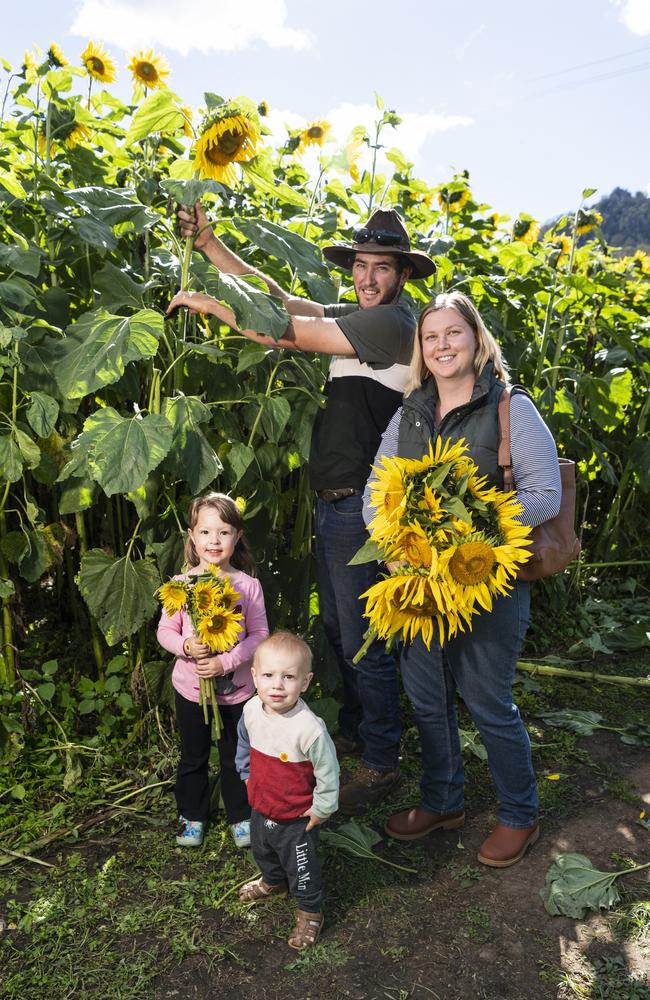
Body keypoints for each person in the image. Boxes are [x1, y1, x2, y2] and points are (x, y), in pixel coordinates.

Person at [168, 205, 436, 813]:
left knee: (362, 638)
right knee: (343, 630)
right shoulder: (363, 316)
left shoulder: (392, 325)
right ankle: (365, 736)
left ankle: (381, 757)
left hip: (362, 509)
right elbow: (287, 302)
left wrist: (215, 309)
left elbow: (285, 331)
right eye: (362, 266)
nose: (368, 277)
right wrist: (211, 246)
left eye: (382, 268)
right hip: (335, 502)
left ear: (401, 275)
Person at [364, 291, 561, 867]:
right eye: (432, 337)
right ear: (421, 350)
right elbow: (378, 493)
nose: (443, 345)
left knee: (486, 699)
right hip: (421, 588)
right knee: (427, 697)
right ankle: (444, 800)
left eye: (454, 333)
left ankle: (520, 815)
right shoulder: (409, 413)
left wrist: (470, 535)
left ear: (477, 341)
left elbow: (543, 494)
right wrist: (395, 547)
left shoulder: (508, 407)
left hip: (484, 579)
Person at [157, 492, 269, 849]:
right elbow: (165, 631)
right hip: (190, 690)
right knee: (193, 754)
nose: (214, 541)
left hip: (236, 691)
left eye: (223, 532)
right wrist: (186, 647)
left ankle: (239, 816)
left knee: (236, 755)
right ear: (192, 537)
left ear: (237, 536)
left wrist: (226, 661)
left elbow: (260, 635)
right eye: (205, 533)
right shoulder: (181, 586)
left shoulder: (247, 585)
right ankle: (192, 815)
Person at [235, 631, 339, 950]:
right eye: (268, 675)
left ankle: (309, 911)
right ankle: (272, 880)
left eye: (288, 677)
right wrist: (246, 773)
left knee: (302, 866)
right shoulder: (252, 710)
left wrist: (322, 807)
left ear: (305, 682)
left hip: (296, 818)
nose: (277, 685)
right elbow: (242, 741)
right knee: (262, 850)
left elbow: (328, 771)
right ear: (254, 676)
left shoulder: (308, 728)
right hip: (261, 804)